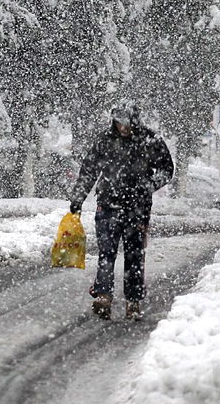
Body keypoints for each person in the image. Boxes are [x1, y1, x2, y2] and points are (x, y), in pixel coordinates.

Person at [69, 101, 174, 321]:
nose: (123, 128)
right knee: (106, 253)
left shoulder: (150, 140)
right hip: (107, 205)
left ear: (135, 121)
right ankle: (104, 296)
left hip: (137, 209)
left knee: (134, 256)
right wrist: (78, 198)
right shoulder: (105, 141)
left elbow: (167, 169)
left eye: (126, 123)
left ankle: (133, 301)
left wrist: (147, 186)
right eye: (118, 123)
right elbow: (89, 170)